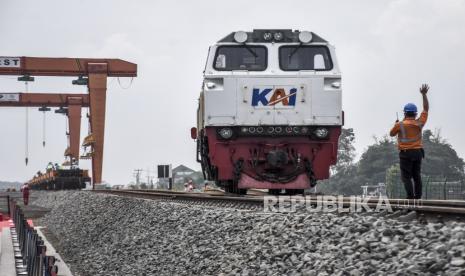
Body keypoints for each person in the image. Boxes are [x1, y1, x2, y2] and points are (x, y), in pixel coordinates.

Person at [389, 84, 430, 199]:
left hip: (405, 153)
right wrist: (424, 94)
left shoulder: (399, 125)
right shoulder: (420, 123)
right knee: (416, 175)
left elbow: (391, 134)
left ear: (405, 113)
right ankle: (418, 197)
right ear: (415, 113)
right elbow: (426, 109)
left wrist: (398, 123)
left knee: (406, 177)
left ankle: (410, 198)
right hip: (418, 152)